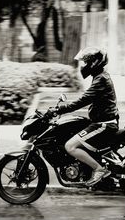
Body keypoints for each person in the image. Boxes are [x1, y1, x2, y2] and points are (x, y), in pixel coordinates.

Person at [50, 47, 119, 186]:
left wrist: (60, 109)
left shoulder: (101, 80)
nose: (84, 66)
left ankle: (100, 170)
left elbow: (83, 100)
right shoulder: (100, 77)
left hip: (103, 124)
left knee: (70, 146)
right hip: (102, 121)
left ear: (95, 63)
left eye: (87, 62)